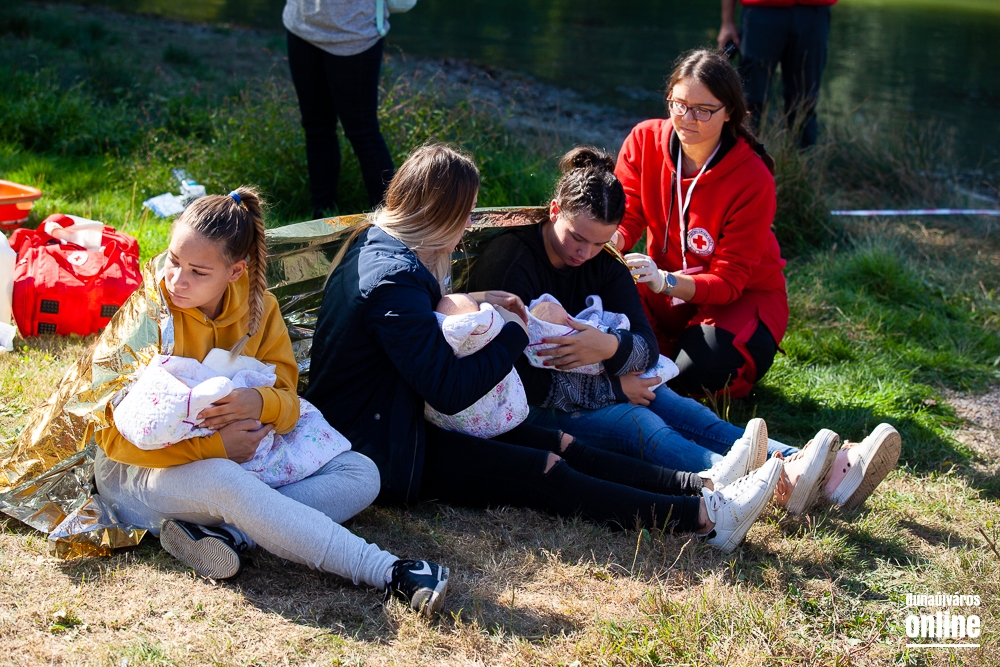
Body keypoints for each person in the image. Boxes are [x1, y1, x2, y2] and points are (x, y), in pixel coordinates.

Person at [306, 143, 786, 554]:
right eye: (466, 213)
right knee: (545, 468)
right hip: (386, 447)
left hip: (401, 418)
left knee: (562, 443)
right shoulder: (394, 280)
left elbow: (415, 330)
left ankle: (705, 486)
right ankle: (704, 519)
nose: (469, 223)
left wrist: (478, 299)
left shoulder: (382, 247)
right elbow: (451, 391)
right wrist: (516, 330)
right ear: (440, 214)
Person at [467, 145, 900, 515]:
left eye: (600, 243)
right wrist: (614, 388)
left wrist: (609, 346)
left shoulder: (603, 261)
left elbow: (645, 344)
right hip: (532, 405)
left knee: (685, 410)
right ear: (554, 211)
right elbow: (516, 377)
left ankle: (813, 465)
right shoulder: (512, 261)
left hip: (604, 379)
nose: (585, 253)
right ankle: (766, 481)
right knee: (639, 423)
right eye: (577, 238)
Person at [92, 188, 449, 616]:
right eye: (173, 260)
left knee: (361, 472)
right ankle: (390, 571)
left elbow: (289, 402)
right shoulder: (150, 313)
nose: (177, 280)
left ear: (235, 271)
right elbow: (113, 439)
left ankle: (233, 534)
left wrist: (259, 403)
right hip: (140, 476)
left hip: (243, 465)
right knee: (225, 479)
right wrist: (217, 448)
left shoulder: (260, 309)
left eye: (198, 271)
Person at [615, 49, 787, 400]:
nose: (687, 119)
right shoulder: (644, 140)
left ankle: (686, 364)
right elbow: (627, 215)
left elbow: (729, 281)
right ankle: (664, 358)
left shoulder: (753, 178)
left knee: (695, 373)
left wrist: (665, 282)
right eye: (679, 104)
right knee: (597, 302)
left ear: (730, 113)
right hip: (664, 287)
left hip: (739, 297)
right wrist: (607, 241)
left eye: (703, 110)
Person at [283, 0, 395, 217]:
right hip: (302, 25)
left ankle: (397, 219)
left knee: (363, 133)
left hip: (355, 33)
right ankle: (322, 216)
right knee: (316, 128)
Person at [717, 0, 835, 148]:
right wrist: (727, 22)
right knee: (749, 100)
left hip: (814, 13)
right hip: (762, 12)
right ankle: (742, 156)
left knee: (804, 103)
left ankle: (801, 158)